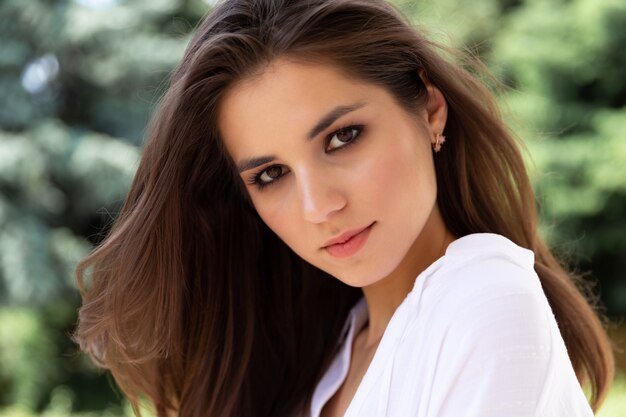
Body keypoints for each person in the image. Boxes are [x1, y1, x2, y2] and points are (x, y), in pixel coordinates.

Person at [73, 0, 615, 416]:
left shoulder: (481, 300)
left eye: (342, 137)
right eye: (271, 175)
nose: (318, 207)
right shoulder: (332, 354)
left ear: (429, 107)